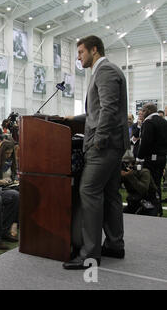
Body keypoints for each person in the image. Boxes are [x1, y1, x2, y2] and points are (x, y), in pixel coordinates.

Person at [63, 35, 129, 270]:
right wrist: (73, 118)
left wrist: (97, 142)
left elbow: (109, 110)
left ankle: (89, 254)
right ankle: (114, 244)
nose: (78, 57)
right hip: (112, 144)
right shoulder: (105, 72)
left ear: (94, 50)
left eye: (81, 52)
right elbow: (98, 110)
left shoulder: (105, 71)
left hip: (104, 145)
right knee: (111, 194)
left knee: (88, 191)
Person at [136, 103, 167, 216]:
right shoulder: (163, 121)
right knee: (157, 183)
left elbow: (145, 142)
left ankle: (152, 209)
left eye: (143, 111)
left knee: (150, 184)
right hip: (162, 157)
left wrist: (139, 157)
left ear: (148, 110)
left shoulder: (149, 122)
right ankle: (158, 208)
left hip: (151, 158)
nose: (141, 113)